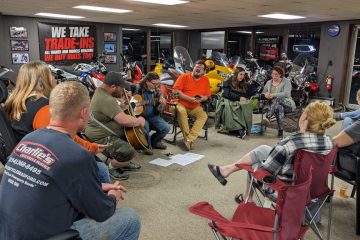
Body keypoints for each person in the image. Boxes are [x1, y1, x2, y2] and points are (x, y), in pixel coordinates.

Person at [0, 81, 140, 240]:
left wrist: (97, 187)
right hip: (44, 235)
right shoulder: (77, 155)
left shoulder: (28, 139)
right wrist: (113, 195)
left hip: (10, 231)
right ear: (84, 112)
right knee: (130, 218)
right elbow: (102, 212)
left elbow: (50, 182)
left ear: (52, 109)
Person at [3, 61, 111, 183]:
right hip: (42, 162)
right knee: (101, 168)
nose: (55, 79)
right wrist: (92, 147)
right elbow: (61, 139)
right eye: (51, 75)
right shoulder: (41, 107)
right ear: (43, 80)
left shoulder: (14, 103)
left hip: (24, 158)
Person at [209, 101, 335, 186]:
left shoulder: (291, 143)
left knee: (257, 163)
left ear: (305, 118)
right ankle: (227, 170)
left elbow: (267, 169)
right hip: (312, 187)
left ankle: (247, 198)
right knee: (263, 149)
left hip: (286, 188)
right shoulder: (330, 142)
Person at [85, 71, 145, 180]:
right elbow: (123, 120)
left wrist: (125, 103)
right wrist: (140, 121)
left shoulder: (101, 92)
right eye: (121, 87)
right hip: (101, 136)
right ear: (113, 86)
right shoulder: (106, 99)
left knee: (131, 138)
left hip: (104, 131)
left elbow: (115, 110)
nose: (123, 90)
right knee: (129, 151)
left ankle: (123, 162)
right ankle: (111, 168)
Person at [172, 60, 211, 151]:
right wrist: (188, 99)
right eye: (197, 67)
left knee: (203, 115)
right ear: (193, 68)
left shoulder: (205, 80)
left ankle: (189, 139)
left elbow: (207, 96)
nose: (198, 69)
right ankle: (188, 139)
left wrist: (202, 98)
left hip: (194, 106)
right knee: (181, 112)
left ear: (204, 72)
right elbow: (175, 92)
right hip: (179, 103)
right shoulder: (184, 77)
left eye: (201, 68)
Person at [215, 67, 257, 139]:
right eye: (240, 74)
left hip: (238, 101)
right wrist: (239, 98)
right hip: (228, 99)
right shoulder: (229, 81)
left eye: (243, 75)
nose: (242, 76)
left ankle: (238, 129)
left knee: (245, 106)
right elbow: (226, 93)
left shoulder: (244, 82)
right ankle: (239, 129)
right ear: (236, 74)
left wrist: (249, 96)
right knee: (230, 107)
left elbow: (252, 91)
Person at [137, 72, 171, 154]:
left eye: (158, 83)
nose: (156, 86)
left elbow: (160, 110)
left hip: (153, 116)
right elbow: (130, 100)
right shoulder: (138, 88)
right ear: (147, 82)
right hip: (140, 116)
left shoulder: (157, 91)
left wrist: (162, 105)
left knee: (166, 128)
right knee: (145, 127)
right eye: (154, 84)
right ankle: (146, 145)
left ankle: (154, 142)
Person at [261, 66, 296, 137]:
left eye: (276, 74)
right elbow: (263, 93)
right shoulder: (269, 82)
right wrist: (266, 95)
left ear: (280, 74)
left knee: (278, 99)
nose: (274, 76)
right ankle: (280, 131)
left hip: (287, 104)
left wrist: (273, 95)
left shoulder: (286, 81)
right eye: (273, 74)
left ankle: (268, 117)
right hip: (274, 105)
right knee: (279, 107)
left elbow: (287, 93)